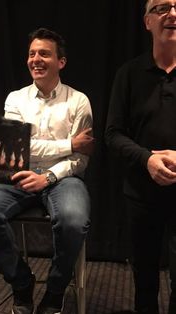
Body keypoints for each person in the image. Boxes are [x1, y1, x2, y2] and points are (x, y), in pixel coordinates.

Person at [0, 27, 94, 314]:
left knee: (74, 220)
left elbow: (81, 158)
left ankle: (55, 289)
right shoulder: (15, 99)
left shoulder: (79, 101)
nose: (36, 59)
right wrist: (69, 143)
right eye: (32, 53)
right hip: (17, 176)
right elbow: (20, 150)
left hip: (64, 178)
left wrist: (49, 176)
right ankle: (21, 280)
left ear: (60, 62)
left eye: (44, 54)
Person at [105, 1, 176, 313]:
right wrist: (147, 158)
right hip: (140, 193)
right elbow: (112, 133)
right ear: (147, 22)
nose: (172, 13)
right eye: (162, 8)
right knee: (144, 278)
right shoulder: (129, 74)